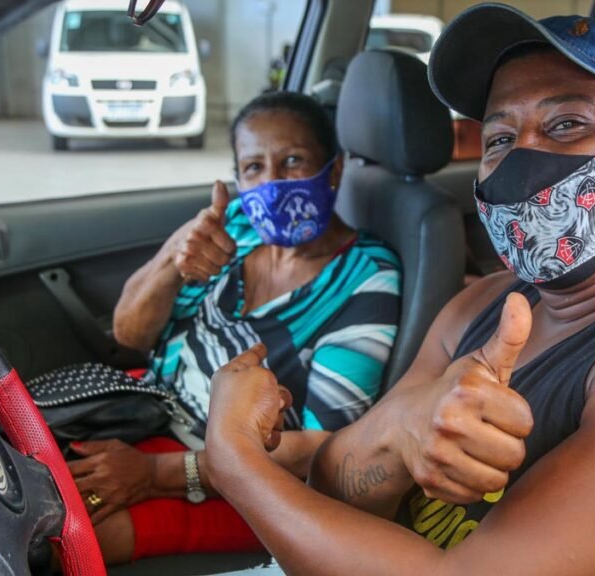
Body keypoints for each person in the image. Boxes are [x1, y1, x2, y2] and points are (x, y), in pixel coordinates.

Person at [199, 7, 595, 576]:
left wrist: (233, 462)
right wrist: (399, 431)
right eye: (500, 139)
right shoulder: (482, 305)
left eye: (566, 124)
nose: (525, 159)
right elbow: (336, 483)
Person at [63, 91, 402, 564]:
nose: (272, 183)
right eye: (254, 168)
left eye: (292, 161)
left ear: (335, 171)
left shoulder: (364, 277)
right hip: (151, 409)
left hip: (242, 476)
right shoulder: (236, 223)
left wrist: (154, 472)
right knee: (26, 469)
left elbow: (324, 451)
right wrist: (174, 257)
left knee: (72, 538)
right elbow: (129, 336)